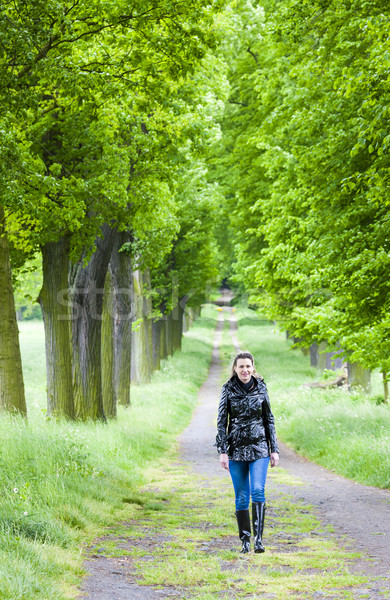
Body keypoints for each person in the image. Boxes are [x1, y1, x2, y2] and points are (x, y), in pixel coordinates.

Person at [216, 351, 279, 554]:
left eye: (248, 366)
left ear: (253, 368)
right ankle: (245, 541)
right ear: (235, 369)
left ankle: (259, 540)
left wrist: (274, 449)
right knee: (241, 496)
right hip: (236, 449)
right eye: (241, 366)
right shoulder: (228, 389)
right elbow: (221, 422)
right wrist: (223, 451)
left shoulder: (261, 388)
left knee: (258, 490)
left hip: (259, 446)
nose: (245, 370)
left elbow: (269, 418)